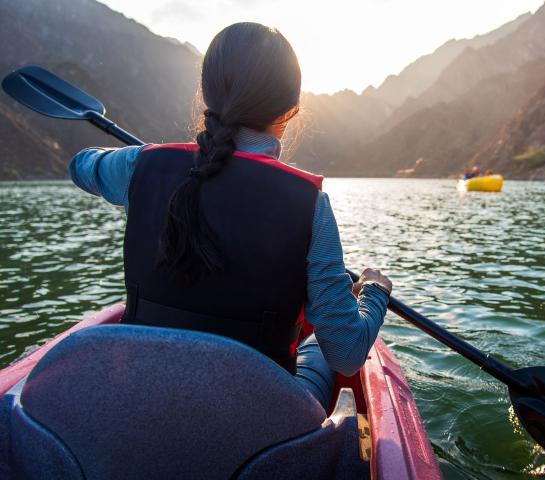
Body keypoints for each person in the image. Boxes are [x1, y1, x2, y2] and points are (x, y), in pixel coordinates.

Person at [67, 22, 392, 409]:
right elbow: (347, 353)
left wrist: (140, 158)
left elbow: (80, 165)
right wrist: (374, 292)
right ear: (291, 109)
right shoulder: (310, 203)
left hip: (141, 397)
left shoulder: (142, 166)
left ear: (206, 93)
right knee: (319, 350)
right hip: (254, 420)